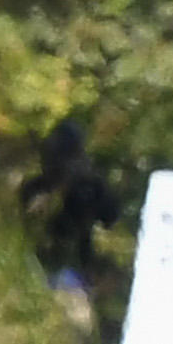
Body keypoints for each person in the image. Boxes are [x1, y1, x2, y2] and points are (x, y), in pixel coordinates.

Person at [18, 121, 117, 332]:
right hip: (35, 267)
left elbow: (109, 218)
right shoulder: (39, 187)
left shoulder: (90, 186)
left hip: (69, 274)